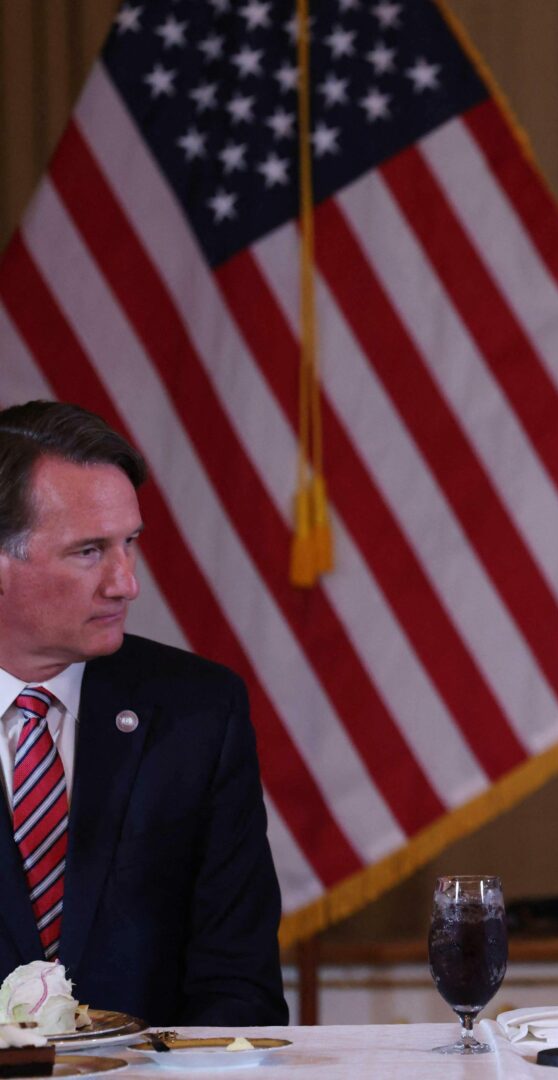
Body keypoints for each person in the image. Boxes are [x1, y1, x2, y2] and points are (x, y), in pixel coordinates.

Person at [0, 401, 286, 1025]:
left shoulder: (200, 713)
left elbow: (240, 986)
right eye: (89, 551)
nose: (125, 583)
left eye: (129, 543)